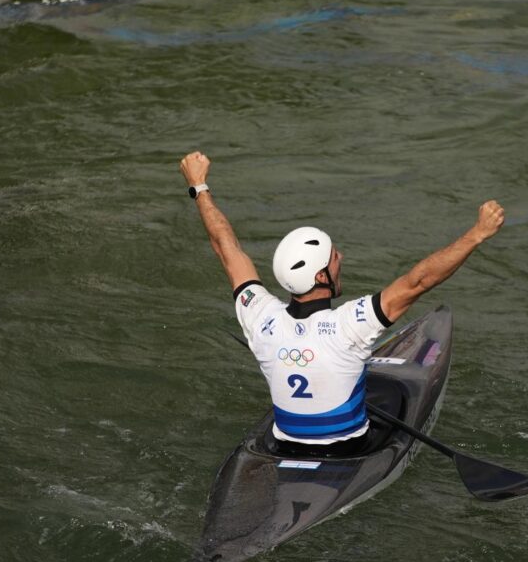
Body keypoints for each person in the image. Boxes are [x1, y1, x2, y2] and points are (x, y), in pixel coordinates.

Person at [180, 151, 504, 456]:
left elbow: (226, 247)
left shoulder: (259, 317)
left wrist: (199, 186)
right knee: (386, 392)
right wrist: (477, 234)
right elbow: (419, 280)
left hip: (283, 448)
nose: (341, 258)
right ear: (321, 277)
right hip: (347, 451)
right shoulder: (350, 324)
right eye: (334, 257)